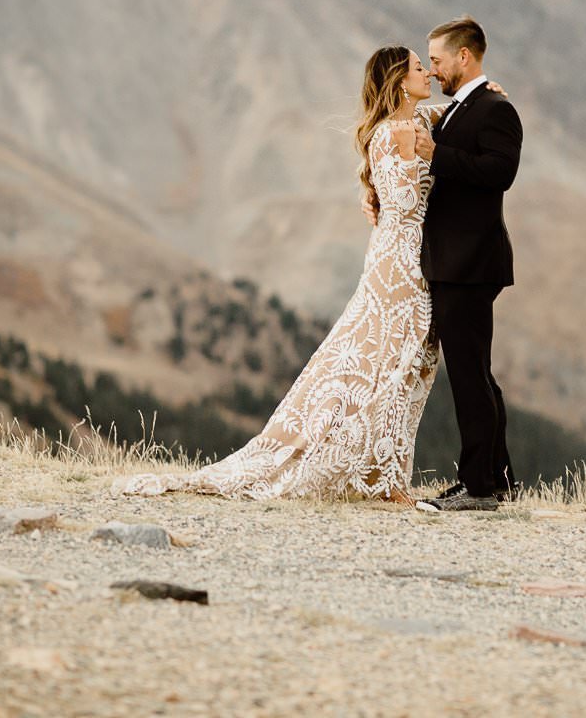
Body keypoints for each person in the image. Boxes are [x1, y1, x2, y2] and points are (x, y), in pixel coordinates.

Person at [115, 46, 460, 504]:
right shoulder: (390, 135)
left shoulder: (416, 122)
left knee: (414, 365)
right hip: (397, 264)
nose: (428, 74)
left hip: (419, 262)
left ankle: (386, 473)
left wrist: (478, 94)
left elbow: (444, 112)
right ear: (400, 80)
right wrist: (412, 160)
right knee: (387, 366)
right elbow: (402, 203)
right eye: (419, 68)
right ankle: (383, 480)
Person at [366, 16, 523, 512]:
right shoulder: (459, 109)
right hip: (453, 262)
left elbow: (501, 172)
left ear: (464, 57)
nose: (432, 70)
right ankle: (496, 480)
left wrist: (438, 156)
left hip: (469, 263)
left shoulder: (496, 108)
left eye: (436, 60)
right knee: (478, 374)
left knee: (470, 376)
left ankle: (477, 488)